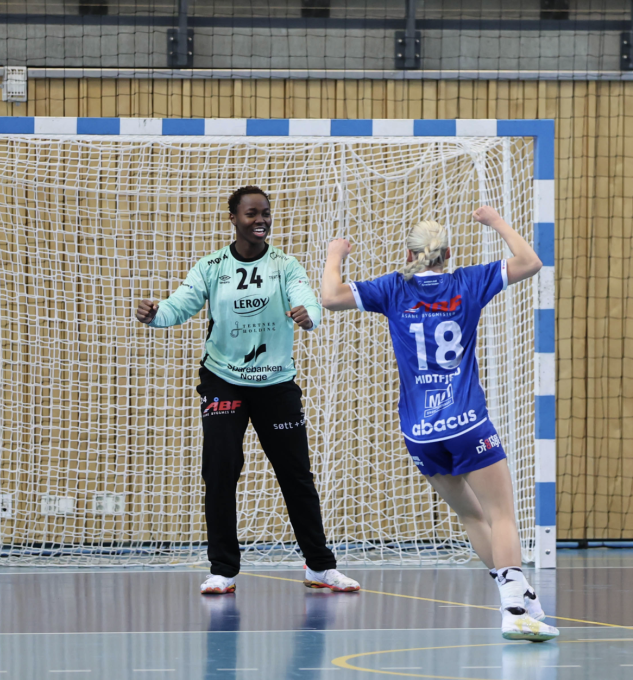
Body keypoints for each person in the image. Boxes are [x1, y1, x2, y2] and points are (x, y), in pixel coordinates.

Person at [320, 206, 558, 642]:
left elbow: (330, 297)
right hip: (467, 423)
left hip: (420, 433)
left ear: (408, 254)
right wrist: (497, 223)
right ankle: (513, 609)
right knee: (502, 515)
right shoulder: (467, 282)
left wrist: (336, 253)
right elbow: (531, 262)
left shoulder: (393, 288)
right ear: (448, 253)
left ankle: (523, 598)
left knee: (471, 515)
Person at [136, 185, 360, 595]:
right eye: (251, 214)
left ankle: (320, 566)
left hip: (275, 383)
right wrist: (155, 314)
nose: (260, 220)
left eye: (265, 213)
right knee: (220, 472)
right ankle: (223, 570)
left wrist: (309, 316)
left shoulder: (285, 265)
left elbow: (309, 302)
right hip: (223, 380)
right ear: (234, 219)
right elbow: (178, 306)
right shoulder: (211, 266)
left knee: (296, 475)